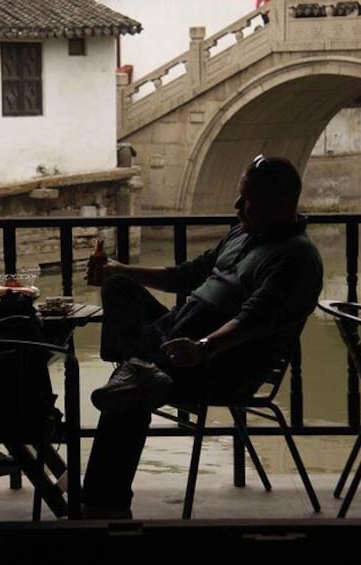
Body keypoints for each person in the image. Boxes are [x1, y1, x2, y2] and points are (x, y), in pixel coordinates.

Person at [80, 155, 324, 519]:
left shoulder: (296, 258)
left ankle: (104, 504)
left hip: (220, 364)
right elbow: (185, 275)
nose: (237, 206)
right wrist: (122, 269)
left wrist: (204, 347)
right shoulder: (243, 232)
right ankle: (140, 368)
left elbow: (251, 321)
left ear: (280, 203)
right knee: (119, 287)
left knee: (131, 393)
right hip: (176, 340)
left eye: (247, 199)